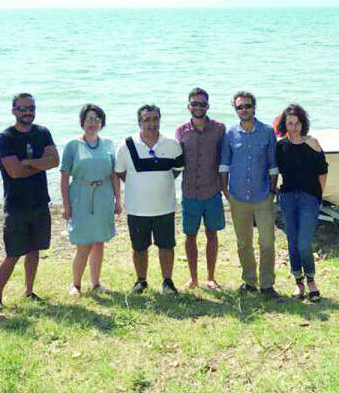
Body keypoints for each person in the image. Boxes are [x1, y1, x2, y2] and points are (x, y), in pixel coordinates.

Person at [0, 93, 59, 310]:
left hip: (40, 201)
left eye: (31, 108)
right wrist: (39, 164)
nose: (28, 112)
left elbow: (54, 161)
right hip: (16, 205)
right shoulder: (5, 138)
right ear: (13, 110)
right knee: (13, 254)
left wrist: (28, 162)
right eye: (22, 108)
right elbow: (15, 172)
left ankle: (29, 291)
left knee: (35, 250)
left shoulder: (43, 132)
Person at [115, 104, 184, 295]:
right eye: (146, 119)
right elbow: (120, 172)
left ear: (160, 120)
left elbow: (177, 169)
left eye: (155, 119)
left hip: (165, 207)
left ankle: (167, 282)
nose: (151, 123)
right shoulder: (126, 145)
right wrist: (139, 184)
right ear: (139, 122)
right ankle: (141, 280)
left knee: (167, 246)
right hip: (137, 208)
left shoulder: (172, 144)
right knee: (139, 247)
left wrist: (158, 181)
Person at [219, 91, 280, 298]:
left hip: (263, 196)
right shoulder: (230, 133)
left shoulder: (267, 132)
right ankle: (250, 282)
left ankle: (267, 284)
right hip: (237, 196)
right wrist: (225, 190)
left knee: (267, 242)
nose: (244, 110)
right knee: (243, 243)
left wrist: (272, 191)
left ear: (254, 107)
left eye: (247, 106)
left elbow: (273, 165)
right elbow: (224, 164)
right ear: (235, 110)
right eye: (240, 107)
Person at [60, 104, 122, 295]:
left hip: (103, 194)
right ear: (82, 122)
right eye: (89, 119)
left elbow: (114, 175)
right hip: (80, 195)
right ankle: (76, 284)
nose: (93, 123)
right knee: (84, 243)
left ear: (102, 123)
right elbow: (64, 177)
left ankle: (96, 284)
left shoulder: (108, 144)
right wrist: (66, 205)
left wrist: (118, 199)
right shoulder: (72, 145)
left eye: (97, 119)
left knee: (99, 241)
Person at [275, 104, 328, 301]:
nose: (294, 127)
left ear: (302, 123)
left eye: (297, 123)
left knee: (304, 243)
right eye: (290, 123)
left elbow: (323, 172)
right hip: (288, 197)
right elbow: (273, 171)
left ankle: (311, 280)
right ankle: (298, 282)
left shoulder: (312, 143)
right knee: (292, 241)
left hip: (309, 198)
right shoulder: (280, 146)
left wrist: (318, 196)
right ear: (285, 124)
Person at [175, 87, 226, 290]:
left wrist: (226, 187)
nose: (198, 107)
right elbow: (176, 161)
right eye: (194, 103)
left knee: (212, 234)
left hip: (212, 191)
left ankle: (211, 277)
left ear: (208, 106)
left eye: (202, 104)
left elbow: (225, 159)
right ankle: (193, 278)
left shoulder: (219, 129)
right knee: (190, 236)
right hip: (189, 192)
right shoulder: (181, 131)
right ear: (188, 106)